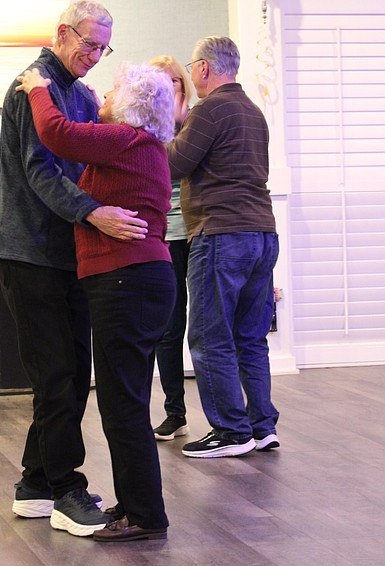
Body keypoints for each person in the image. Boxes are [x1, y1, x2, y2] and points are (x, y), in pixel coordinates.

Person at [0, 0, 148, 538]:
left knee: (71, 376)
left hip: (68, 253)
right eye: (89, 44)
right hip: (29, 252)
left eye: (104, 47)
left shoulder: (81, 95)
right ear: (63, 33)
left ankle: (36, 483)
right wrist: (94, 212)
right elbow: (41, 171)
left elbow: (89, 163)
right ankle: (65, 490)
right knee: (58, 375)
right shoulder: (29, 86)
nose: (96, 56)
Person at [16, 60, 176, 542]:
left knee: (123, 405)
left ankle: (145, 516)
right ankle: (136, 508)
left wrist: (37, 88)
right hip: (138, 282)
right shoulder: (140, 146)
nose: (103, 94)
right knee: (124, 402)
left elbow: (57, 134)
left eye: (112, 89)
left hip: (128, 283)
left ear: (131, 103)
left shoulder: (128, 139)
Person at [167, 36, 280, 458]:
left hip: (221, 234)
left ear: (203, 68)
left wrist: (141, 141)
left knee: (209, 334)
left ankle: (231, 431)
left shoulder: (209, 109)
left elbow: (173, 164)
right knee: (250, 337)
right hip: (262, 235)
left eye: (192, 66)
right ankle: (261, 425)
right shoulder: (252, 111)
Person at [148, 55, 194, 442]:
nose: (168, 89)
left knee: (209, 327)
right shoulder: (146, 128)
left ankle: (234, 419)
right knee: (168, 327)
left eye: (174, 82)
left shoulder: (197, 122)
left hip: (197, 232)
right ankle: (174, 411)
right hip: (164, 235)